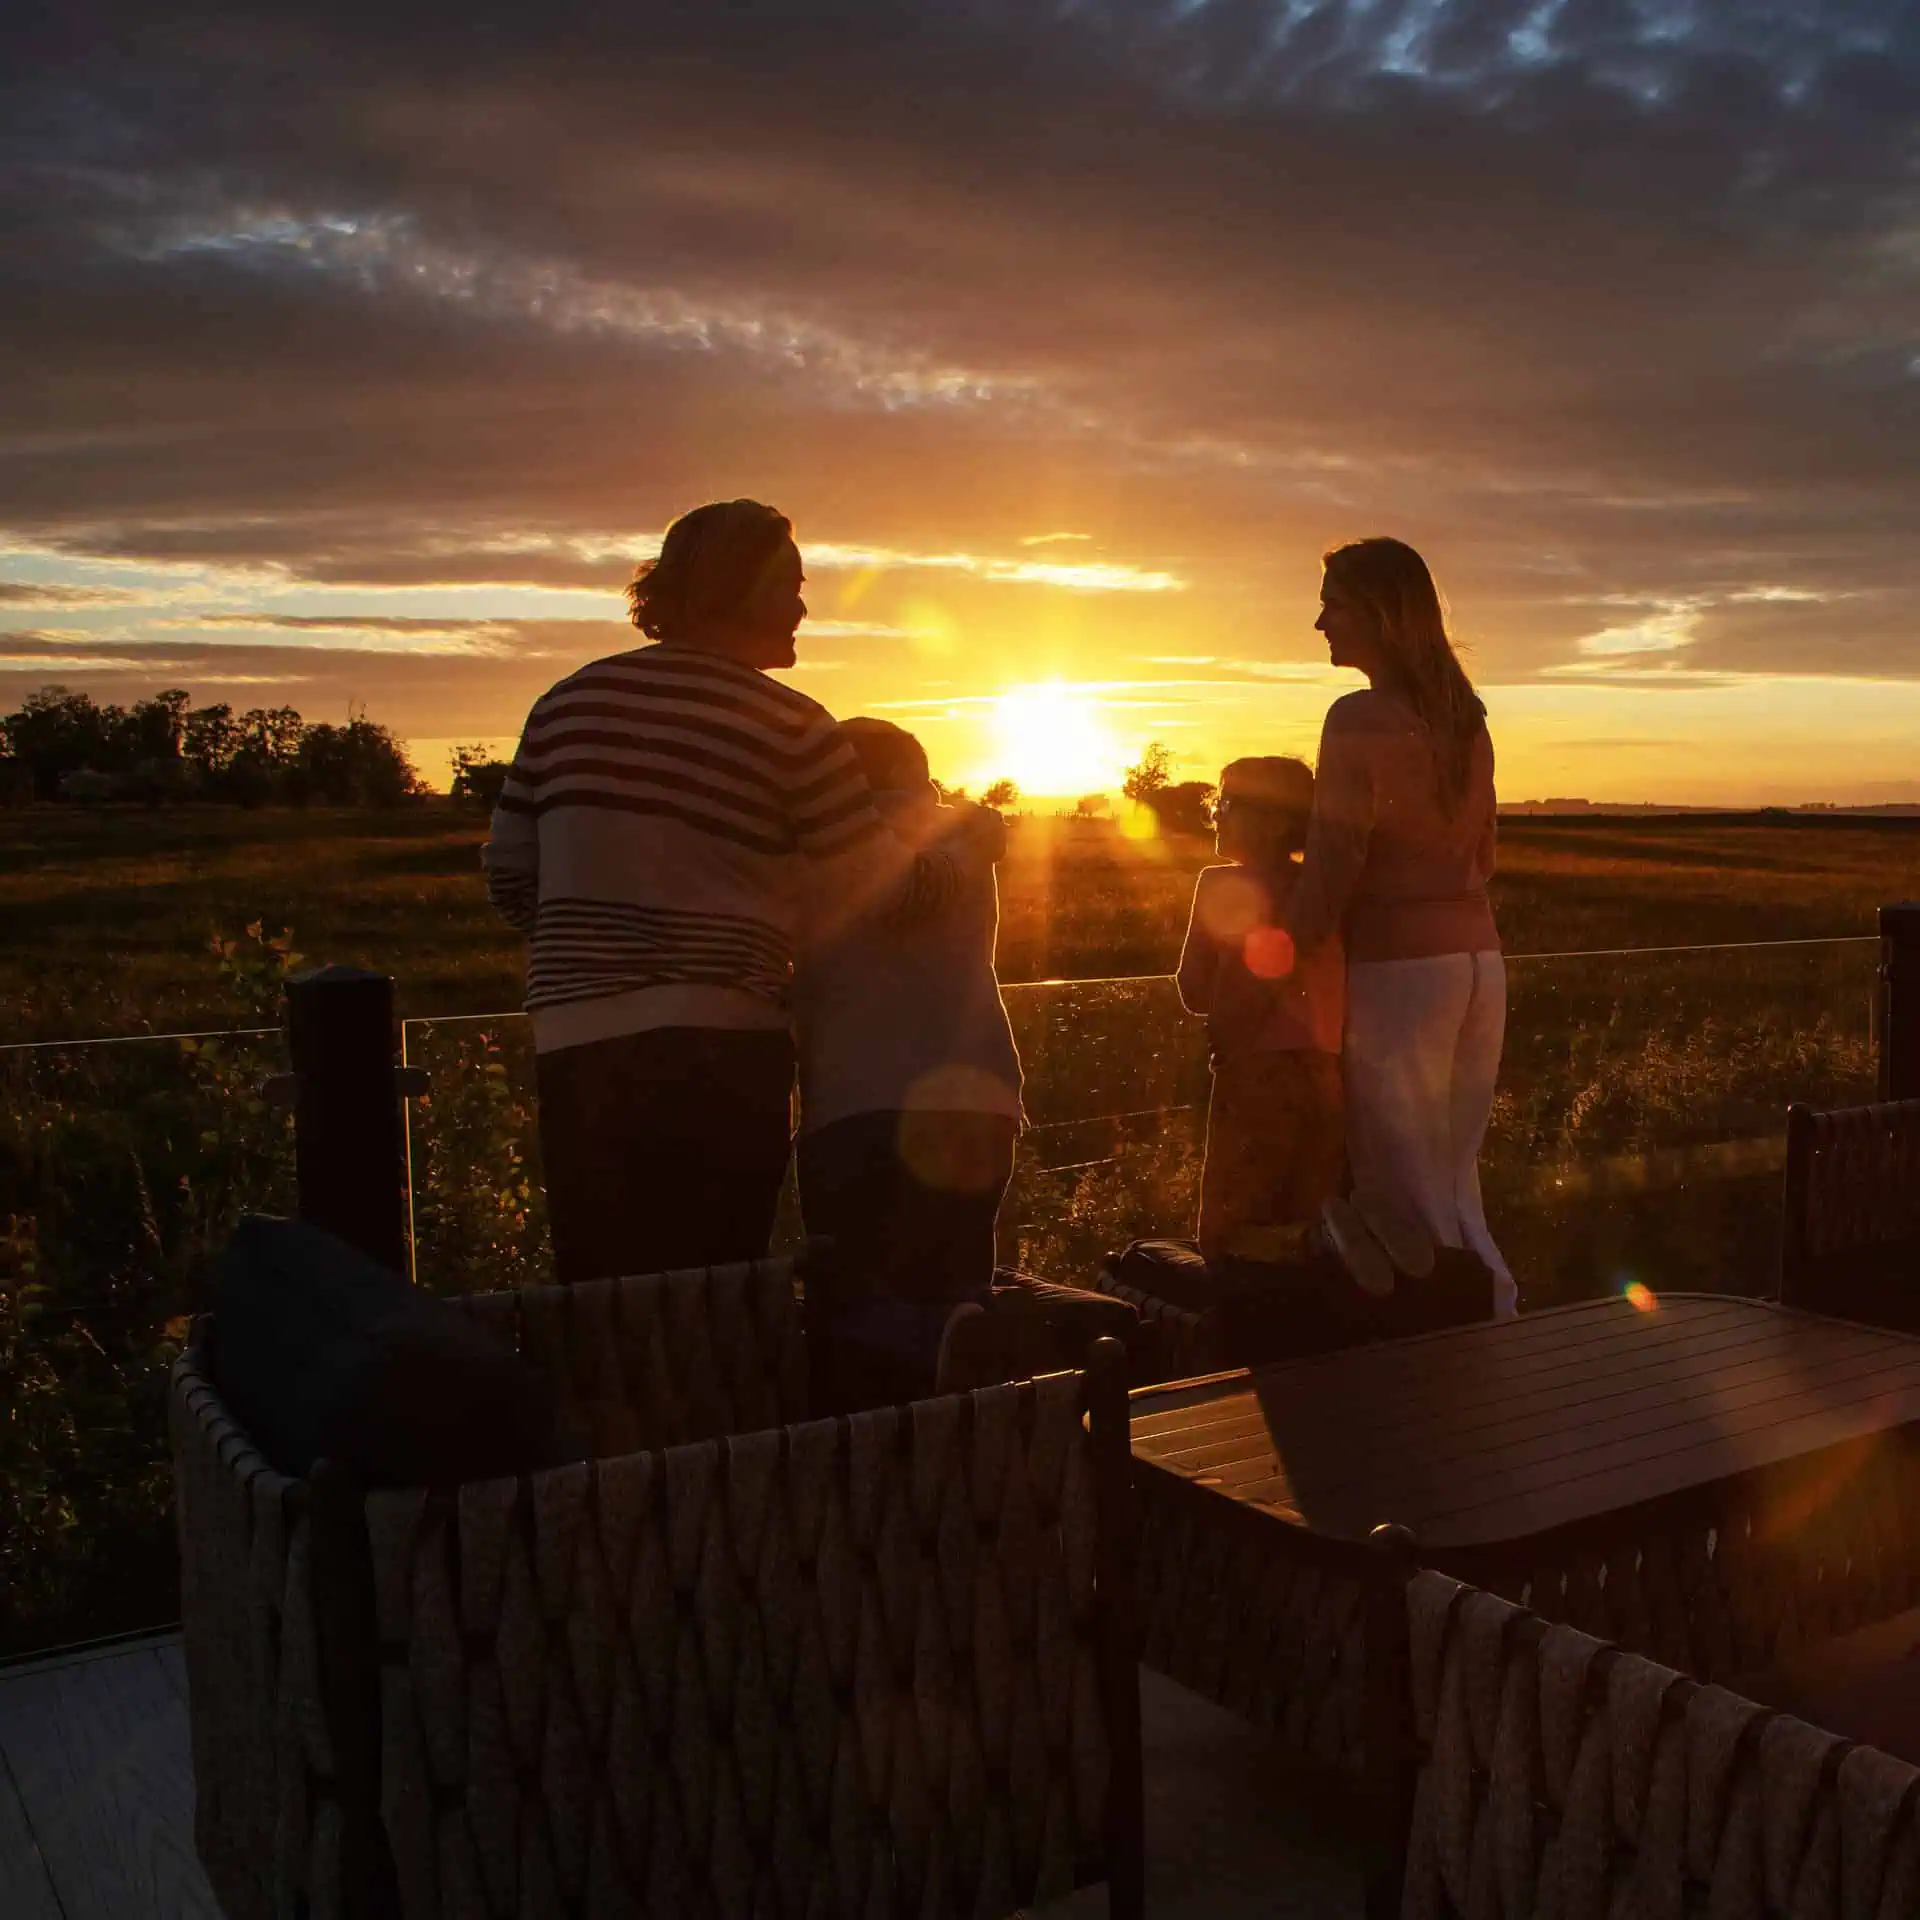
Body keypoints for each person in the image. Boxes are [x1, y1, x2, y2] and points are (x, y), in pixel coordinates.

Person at [482, 499, 954, 1285]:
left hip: (577, 1046)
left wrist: (594, 950)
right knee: (715, 1294)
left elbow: (508, 874)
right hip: (721, 1050)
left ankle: (610, 1411)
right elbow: (877, 891)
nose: (804, 605)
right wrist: (959, 856)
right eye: (792, 585)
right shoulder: (794, 726)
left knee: (603, 1294)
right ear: (742, 587)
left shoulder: (565, 704)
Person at [1287, 536, 1516, 1316]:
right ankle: (1497, 1322)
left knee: (1402, 1188)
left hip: (1401, 977)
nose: (1320, 621)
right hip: (1479, 963)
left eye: (1334, 603)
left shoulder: (1356, 719)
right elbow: (1483, 852)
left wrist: (1276, 961)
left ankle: (1451, 1366)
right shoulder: (1466, 721)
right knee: (1452, 1179)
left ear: (1380, 615)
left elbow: (1332, 865)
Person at [792, 717, 1022, 1382]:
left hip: (855, 1098)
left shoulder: (820, 846)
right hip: (977, 1090)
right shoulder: (967, 834)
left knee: (857, 1306)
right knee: (958, 1290)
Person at [1176, 756, 1346, 1267]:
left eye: (1225, 804)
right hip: (1327, 1074)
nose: (1215, 815)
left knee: (1228, 1235)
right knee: (1308, 1209)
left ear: (1273, 821)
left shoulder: (1219, 884)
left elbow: (1192, 989)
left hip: (1252, 1073)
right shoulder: (1321, 891)